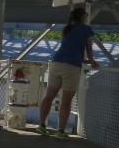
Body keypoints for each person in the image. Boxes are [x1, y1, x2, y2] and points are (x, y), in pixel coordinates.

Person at [37, 8, 99, 139]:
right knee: (66, 101)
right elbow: (88, 47)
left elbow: (69, 46)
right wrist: (92, 61)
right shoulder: (85, 28)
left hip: (56, 63)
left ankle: (41, 125)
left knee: (49, 96)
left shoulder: (67, 28)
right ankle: (60, 131)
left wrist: (83, 59)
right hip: (71, 67)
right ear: (83, 16)